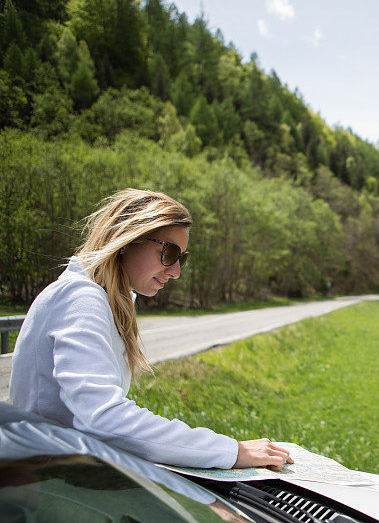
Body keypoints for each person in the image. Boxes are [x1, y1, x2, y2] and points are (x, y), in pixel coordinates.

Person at [9, 188, 293, 470]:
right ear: (127, 239)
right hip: (45, 477)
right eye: (169, 253)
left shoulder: (106, 300)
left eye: (182, 258)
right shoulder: (81, 298)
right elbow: (102, 416)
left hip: (64, 466)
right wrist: (231, 451)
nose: (176, 272)